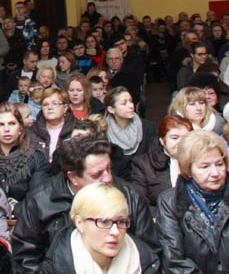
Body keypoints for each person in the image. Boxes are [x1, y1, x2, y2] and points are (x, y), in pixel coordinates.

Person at [12, 136, 158, 271]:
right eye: (97, 174)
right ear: (73, 177)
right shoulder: (41, 200)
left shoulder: (130, 196)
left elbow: (149, 252)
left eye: (109, 169)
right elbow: (25, 256)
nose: (108, 178)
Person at [157, 130, 229, 272]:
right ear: (188, 170)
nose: (215, 173)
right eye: (204, 167)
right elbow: (174, 260)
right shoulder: (170, 202)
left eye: (219, 164)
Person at [41, 182, 160, 273]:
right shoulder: (56, 265)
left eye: (121, 222)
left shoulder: (146, 262)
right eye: (104, 222)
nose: (115, 232)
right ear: (80, 223)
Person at [0, 102, 50, 202]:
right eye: (1, 124)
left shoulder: (36, 156)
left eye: (12, 123)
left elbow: (38, 198)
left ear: (20, 127)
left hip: (26, 210)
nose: (6, 129)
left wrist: (16, 208)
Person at [130, 115, 193, 208]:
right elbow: (141, 204)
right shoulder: (143, 164)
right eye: (175, 138)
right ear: (162, 141)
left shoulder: (199, 160)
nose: (180, 143)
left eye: (185, 138)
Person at [103, 87, 155, 158]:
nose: (131, 106)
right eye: (124, 103)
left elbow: (154, 157)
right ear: (111, 109)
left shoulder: (147, 128)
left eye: (131, 101)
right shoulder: (103, 132)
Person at [29, 87, 75, 163]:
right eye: (45, 104)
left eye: (55, 103)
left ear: (65, 108)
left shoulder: (76, 129)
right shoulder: (32, 131)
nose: (50, 107)